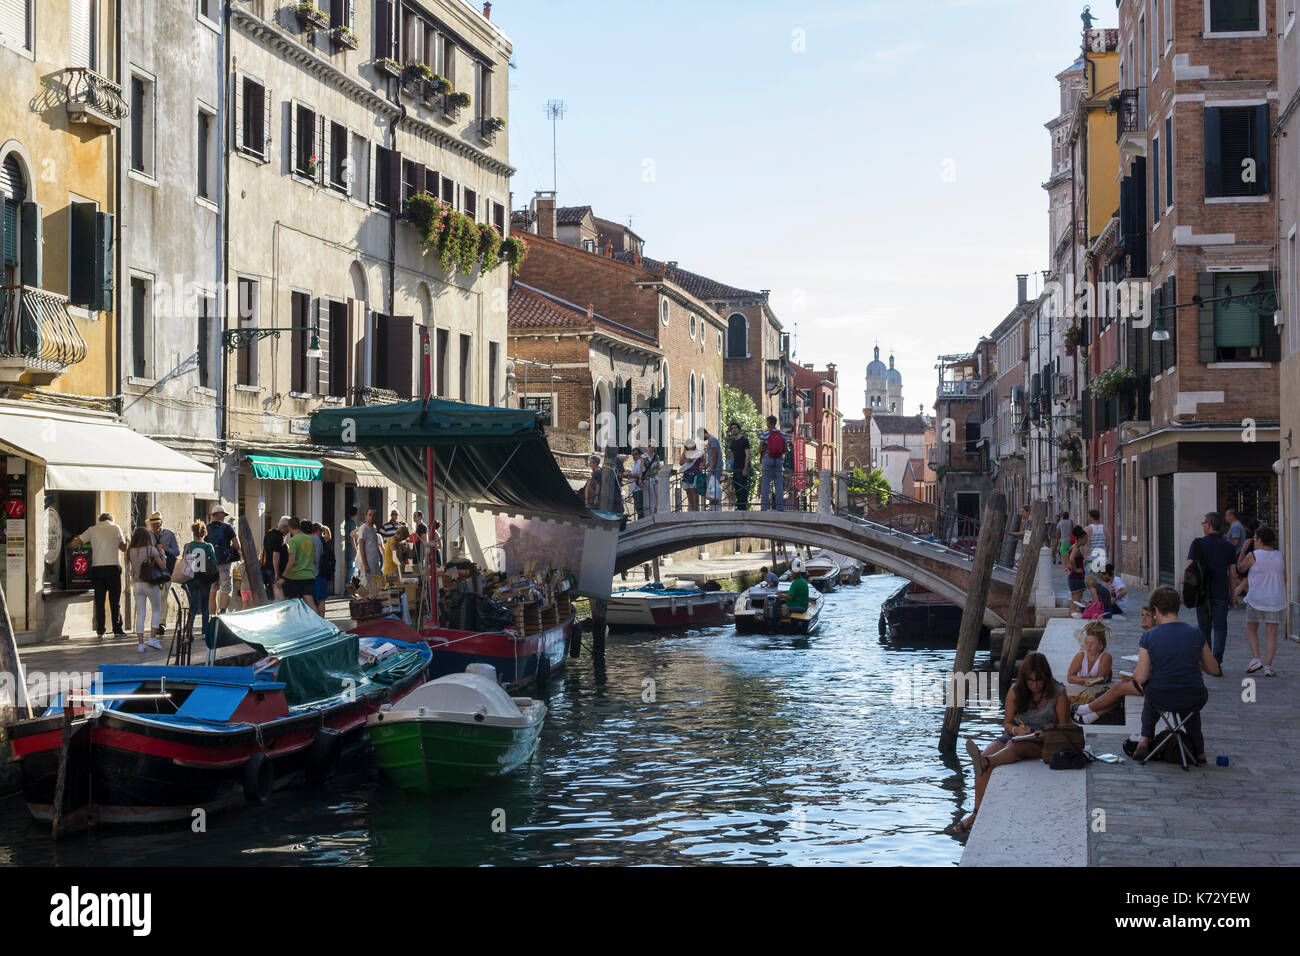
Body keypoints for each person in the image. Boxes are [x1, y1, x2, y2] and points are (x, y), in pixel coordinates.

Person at [955, 652, 1069, 834]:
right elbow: (1007, 723)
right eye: (1031, 681)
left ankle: (989, 762)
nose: (1035, 685)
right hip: (1019, 735)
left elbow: (1064, 728)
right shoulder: (1016, 691)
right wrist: (1017, 730)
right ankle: (976, 812)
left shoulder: (1058, 693)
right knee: (985, 755)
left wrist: (1044, 734)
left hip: (1047, 740)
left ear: (1046, 678)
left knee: (1011, 748)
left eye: (1039, 681)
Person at [1122, 586, 1221, 764]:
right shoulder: (1196, 633)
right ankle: (1199, 751)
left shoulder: (1149, 637)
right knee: (1189, 701)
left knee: (1151, 691)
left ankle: (1145, 739)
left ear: (1156, 610)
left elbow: (1141, 677)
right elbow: (1214, 669)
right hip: (1194, 697)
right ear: (1177, 608)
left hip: (1161, 697)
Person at [1075, 603, 1158, 725]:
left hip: (1154, 685)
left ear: (1156, 619)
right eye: (1142, 615)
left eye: (1147, 616)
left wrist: (1134, 676)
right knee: (1120, 689)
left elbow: (1143, 673)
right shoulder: (1153, 635)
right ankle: (1088, 717)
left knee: (1118, 688)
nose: (1143, 618)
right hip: (1154, 680)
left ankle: (1082, 709)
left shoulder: (1150, 636)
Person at [1187, 511, 1236, 665]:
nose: (1203, 527)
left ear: (1208, 525)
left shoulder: (1197, 544)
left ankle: (1207, 660)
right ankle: (1217, 659)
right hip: (1221, 592)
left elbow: (1189, 568)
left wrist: (1188, 591)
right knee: (1220, 627)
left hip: (1202, 593)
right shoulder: (1228, 546)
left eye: (1203, 524)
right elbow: (1232, 574)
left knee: (1204, 628)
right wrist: (1232, 596)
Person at [70, 512, 127, 638]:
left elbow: (74, 543)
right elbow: (123, 548)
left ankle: (101, 630)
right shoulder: (116, 528)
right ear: (111, 520)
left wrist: (72, 538)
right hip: (113, 567)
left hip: (97, 568)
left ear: (99, 520)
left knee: (99, 600)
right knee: (114, 600)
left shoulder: (92, 530)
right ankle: (117, 629)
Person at [1238, 526, 1285, 677]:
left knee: (1251, 628)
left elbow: (1240, 568)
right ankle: (1268, 667)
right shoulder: (1280, 555)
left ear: (1259, 540)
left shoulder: (1254, 555)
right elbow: (1284, 577)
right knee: (1271, 633)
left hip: (1256, 598)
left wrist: (1243, 550)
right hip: (1276, 599)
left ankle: (1256, 658)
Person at [126, 526, 166, 653]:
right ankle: (153, 639)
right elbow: (163, 566)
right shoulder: (151, 550)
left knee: (141, 613)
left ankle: (140, 644)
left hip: (137, 585)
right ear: (147, 538)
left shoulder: (129, 551)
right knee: (156, 609)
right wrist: (163, 554)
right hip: (150, 584)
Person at [182, 521, 217, 646]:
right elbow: (214, 561)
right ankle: (204, 632)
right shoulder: (208, 546)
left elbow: (183, 560)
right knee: (205, 607)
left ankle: (189, 632)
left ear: (193, 533)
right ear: (204, 533)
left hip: (191, 580)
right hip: (204, 580)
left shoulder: (187, 546)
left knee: (193, 607)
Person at [147, 511, 180, 638]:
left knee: (163, 596)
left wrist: (166, 549)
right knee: (155, 596)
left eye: (156, 524)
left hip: (166, 570)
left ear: (161, 522)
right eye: (152, 524)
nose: (154, 526)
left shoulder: (169, 534)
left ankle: (161, 623)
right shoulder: (148, 535)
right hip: (152, 570)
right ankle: (156, 621)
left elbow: (177, 552)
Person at [204, 505, 240, 616]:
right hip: (224, 562)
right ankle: (223, 611)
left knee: (213, 589)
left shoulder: (206, 528)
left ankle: (212, 616)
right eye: (223, 515)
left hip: (211, 564)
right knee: (226, 588)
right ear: (218, 514)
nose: (224, 517)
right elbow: (237, 545)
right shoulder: (228, 527)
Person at [280, 517, 318, 612]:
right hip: (309, 575)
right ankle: (318, 623)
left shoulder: (293, 541)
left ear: (289, 527)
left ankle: (292, 623)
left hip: (295, 576)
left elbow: (291, 560)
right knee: (310, 601)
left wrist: (283, 577)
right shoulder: (309, 539)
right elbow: (314, 560)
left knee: (290, 601)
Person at [1067, 621, 1113, 685]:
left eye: (1092, 643)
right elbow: (1070, 677)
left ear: (1100, 646)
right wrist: (1085, 680)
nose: (1088, 646)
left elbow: (1101, 680)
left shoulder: (1106, 657)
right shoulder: (1080, 656)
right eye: (1087, 643)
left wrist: (1080, 680)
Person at [758, 415, 786, 512]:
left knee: (765, 483)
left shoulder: (765, 434)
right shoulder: (782, 434)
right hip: (778, 459)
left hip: (767, 458)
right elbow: (785, 449)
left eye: (767, 422)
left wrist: (762, 455)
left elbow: (760, 448)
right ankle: (780, 507)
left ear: (769, 423)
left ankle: (764, 507)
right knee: (778, 483)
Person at [356, 508, 385, 596]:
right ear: (366, 516)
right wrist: (365, 564)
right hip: (368, 562)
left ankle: (372, 604)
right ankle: (361, 602)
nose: (371, 517)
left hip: (375, 561)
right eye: (369, 515)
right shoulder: (363, 528)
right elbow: (361, 546)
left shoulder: (373, 529)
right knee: (366, 585)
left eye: (373, 515)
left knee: (375, 586)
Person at [262, 515, 290, 601]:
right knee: (278, 595)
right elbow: (276, 555)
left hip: (268, 567)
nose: (289, 531)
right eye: (288, 529)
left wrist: (264, 562)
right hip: (275, 569)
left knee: (271, 595)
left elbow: (264, 551)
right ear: (285, 527)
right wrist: (277, 574)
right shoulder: (279, 537)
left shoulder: (268, 534)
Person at [728, 422, 751, 511]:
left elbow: (747, 455)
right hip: (735, 468)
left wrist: (745, 469)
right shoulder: (733, 442)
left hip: (743, 468)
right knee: (736, 487)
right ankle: (739, 505)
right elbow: (732, 456)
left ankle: (743, 507)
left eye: (735, 428)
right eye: (732, 428)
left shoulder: (744, 440)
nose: (734, 429)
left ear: (739, 429)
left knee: (743, 487)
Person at [312, 522, 333, 616]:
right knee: (322, 600)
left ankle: (316, 621)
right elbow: (329, 536)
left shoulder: (311, 539)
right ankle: (322, 619)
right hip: (323, 572)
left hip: (314, 573)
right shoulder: (322, 540)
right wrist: (325, 528)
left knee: (313, 600)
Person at [701, 427, 723, 512]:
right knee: (712, 487)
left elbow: (715, 454)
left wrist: (713, 468)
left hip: (715, 468)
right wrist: (707, 465)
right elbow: (712, 456)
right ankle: (713, 507)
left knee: (713, 487)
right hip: (713, 467)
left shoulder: (712, 440)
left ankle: (714, 508)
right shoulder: (711, 440)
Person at [1066, 525, 1088, 606]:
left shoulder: (1073, 547)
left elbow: (1069, 560)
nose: (1086, 541)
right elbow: (1071, 559)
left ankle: (1072, 614)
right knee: (1076, 602)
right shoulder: (1076, 548)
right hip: (1076, 578)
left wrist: (1071, 567)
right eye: (1086, 539)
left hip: (1075, 578)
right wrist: (1076, 569)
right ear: (1080, 539)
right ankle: (1072, 615)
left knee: (1075, 601)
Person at [680, 440, 704, 512]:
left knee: (694, 492)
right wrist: (687, 459)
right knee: (688, 492)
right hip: (687, 474)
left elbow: (703, 462)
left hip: (695, 474)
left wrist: (702, 466)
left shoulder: (699, 452)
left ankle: (695, 510)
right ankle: (692, 509)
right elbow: (680, 462)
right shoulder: (685, 453)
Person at [642, 442, 661, 515]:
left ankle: (656, 513)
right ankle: (650, 514)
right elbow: (641, 469)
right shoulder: (643, 456)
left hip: (656, 478)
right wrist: (640, 479)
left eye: (652, 446)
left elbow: (659, 468)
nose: (651, 448)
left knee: (658, 497)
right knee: (651, 498)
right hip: (647, 479)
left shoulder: (657, 456)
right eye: (649, 446)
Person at [344, 505, 359, 588]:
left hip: (346, 548)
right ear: (356, 514)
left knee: (347, 568)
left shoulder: (346, 522)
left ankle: (347, 586)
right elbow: (351, 538)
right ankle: (348, 587)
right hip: (350, 549)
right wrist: (355, 550)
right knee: (350, 568)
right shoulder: (352, 523)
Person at [629, 447, 646, 519]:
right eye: (632, 455)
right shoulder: (636, 464)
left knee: (640, 508)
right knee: (638, 508)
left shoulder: (640, 463)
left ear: (640, 455)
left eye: (635, 454)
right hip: (635, 489)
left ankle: (641, 522)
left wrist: (629, 475)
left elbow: (641, 474)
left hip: (638, 489)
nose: (634, 456)